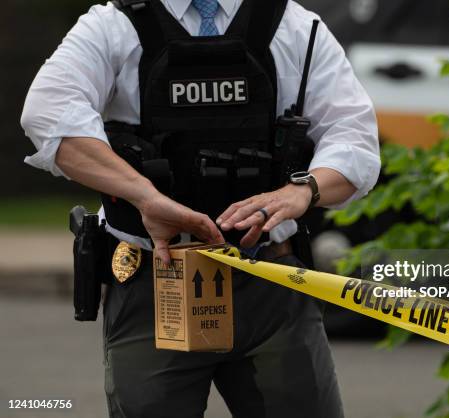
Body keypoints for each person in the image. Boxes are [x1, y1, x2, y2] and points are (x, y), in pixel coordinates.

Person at [21, 0, 380, 417]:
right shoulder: (115, 25)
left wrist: (303, 190)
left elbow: (355, 136)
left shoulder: (294, 26)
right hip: (156, 281)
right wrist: (144, 196)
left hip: (271, 284)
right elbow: (47, 113)